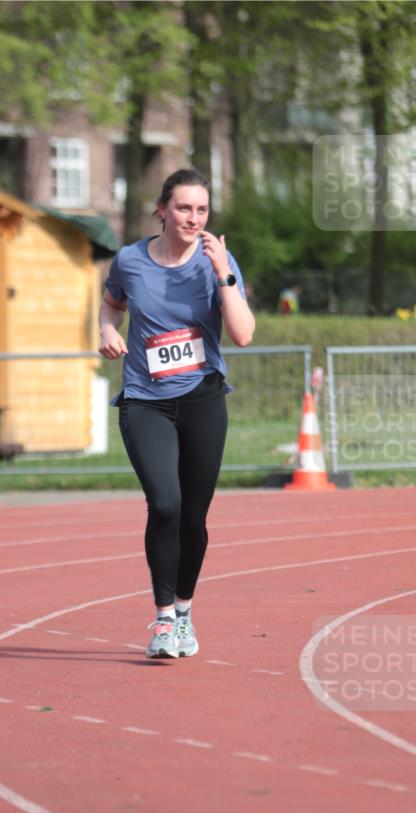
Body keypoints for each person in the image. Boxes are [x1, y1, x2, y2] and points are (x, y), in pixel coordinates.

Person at [99, 168, 255, 658]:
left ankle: (185, 612)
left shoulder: (219, 262)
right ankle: (163, 618)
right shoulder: (130, 260)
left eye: (202, 210)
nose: (193, 218)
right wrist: (107, 330)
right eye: (184, 208)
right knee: (164, 503)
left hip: (202, 398)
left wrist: (223, 271)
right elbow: (110, 306)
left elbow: (243, 334)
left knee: (193, 516)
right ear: (162, 209)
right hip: (146, 399)